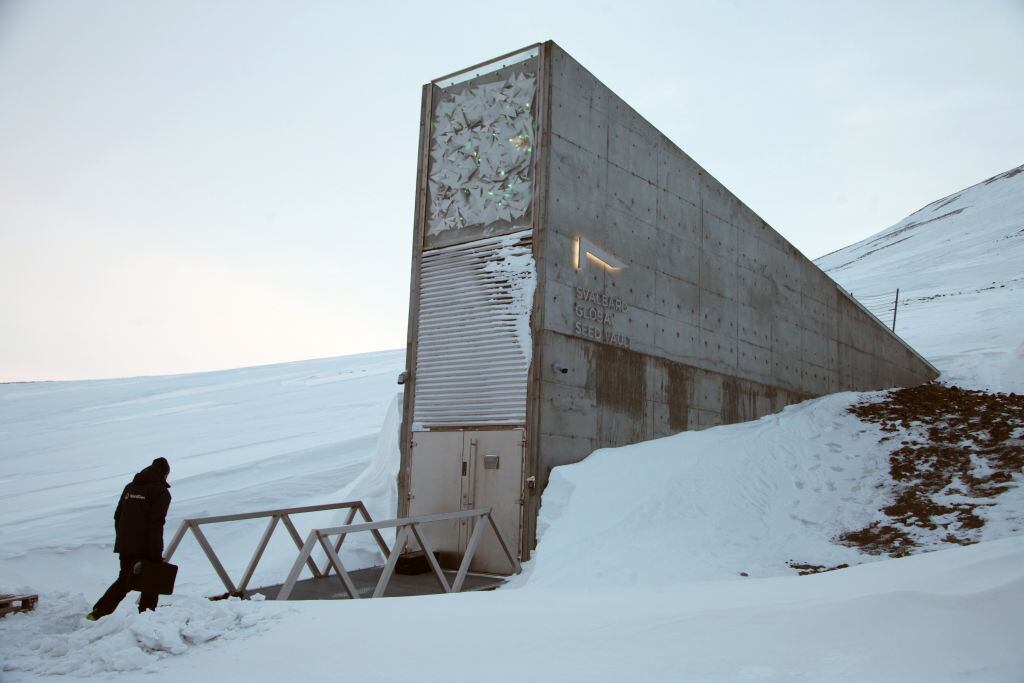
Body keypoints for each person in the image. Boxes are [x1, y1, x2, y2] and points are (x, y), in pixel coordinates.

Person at [87, 457, 172, 620]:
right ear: (165, 474)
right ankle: (146, 619)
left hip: (125, 545)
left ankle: (99, 612)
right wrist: (155, 552)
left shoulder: (130, 487)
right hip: (146, 546)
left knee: (125, 580)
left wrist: (123, 539)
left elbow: (117, 516)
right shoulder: (160, 492)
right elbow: (156, 523)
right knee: (152, 580)